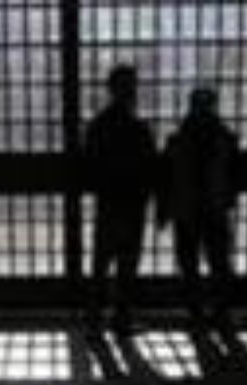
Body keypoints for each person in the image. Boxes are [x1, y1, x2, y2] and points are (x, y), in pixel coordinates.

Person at [158, 86, 240, 325]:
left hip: (188, 209)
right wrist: (229, 199)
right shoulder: (225, 139)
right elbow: (235, 175)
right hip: (213, 207)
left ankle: (197, 311)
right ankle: (220, 311)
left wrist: (164, 209)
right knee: (218, 262)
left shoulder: (177, 140)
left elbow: (166, 178)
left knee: (191, 262)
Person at [84, 65, 157, 332]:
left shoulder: (98, 125)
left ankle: (94, 318)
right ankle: (121, 318)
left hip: (108, 201)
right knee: (127, 263)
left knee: (101, 262)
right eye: (132, 86)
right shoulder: (139, 128)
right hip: (132, 202)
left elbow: (89, 165)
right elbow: (150, 167)